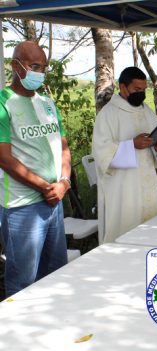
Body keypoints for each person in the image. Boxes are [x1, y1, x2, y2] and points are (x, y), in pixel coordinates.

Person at [0, 41, 71, 297]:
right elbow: (4, 158)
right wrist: (46, 187)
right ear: (15, 65)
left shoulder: (47, 103)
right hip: (23, 206)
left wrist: (63, 182)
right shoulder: (3, 103)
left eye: (43, 67)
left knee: (55, 274)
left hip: (55, 201)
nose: (39, 72)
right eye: (34, 66)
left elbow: (63, 147)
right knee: (23, 283)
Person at [92, 67, 157, 244]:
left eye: (143, 90)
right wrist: (131, 145)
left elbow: (155, 135)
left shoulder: (144, 109)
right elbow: (101, 150)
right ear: (123, 87)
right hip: (123, 184)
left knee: (150, 231)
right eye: (136, 90)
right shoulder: (108, 113)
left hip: (146, 177)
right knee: (125, 227)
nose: (141, 94)